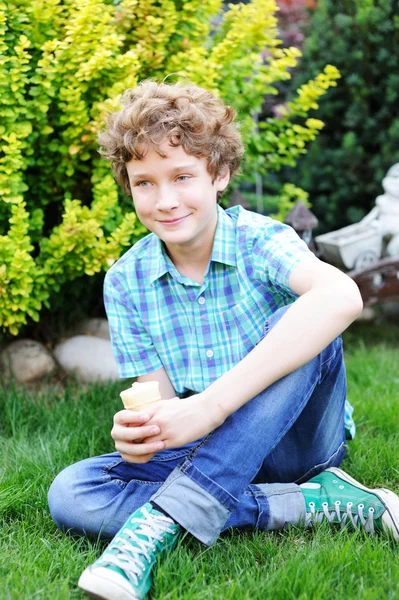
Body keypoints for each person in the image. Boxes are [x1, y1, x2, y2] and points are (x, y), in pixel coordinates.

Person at [48, 81, 399, 600]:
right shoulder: (126, 280)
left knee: (305, 319)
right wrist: (144, 435)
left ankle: (161, 525)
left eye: (182, 176)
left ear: (220, 174)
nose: (165, 201)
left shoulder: (260, 241)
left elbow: (342, 296)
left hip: (300, 446)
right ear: (129, 187)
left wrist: (210, 407)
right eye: (145, 183)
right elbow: (163, 405)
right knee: (72, 493)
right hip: (212, 451)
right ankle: (308, 504)